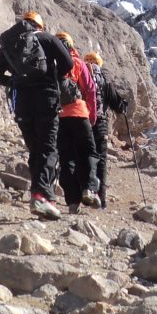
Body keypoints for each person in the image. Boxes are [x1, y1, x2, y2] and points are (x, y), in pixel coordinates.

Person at [0, 11, 72, 220]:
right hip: (47, 98)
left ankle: (47, 198)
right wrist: (53, 75)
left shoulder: (10, 44)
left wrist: (16, 81)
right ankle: (39, 195)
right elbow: (68, 64)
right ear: (39, 26)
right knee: (48, 148)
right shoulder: (48, 39)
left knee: (35, 148)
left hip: (22, 103)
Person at [55, 32, 100, 214]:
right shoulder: (78, 63)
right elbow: (90, 90)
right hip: (80, 114)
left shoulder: (51, 64)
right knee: (88, 151)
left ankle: (72, 202)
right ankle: (89, 188)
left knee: (67, 159)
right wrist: (92, 116)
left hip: (59, 117)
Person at [83, 51, 129, 208]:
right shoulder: (103, 77)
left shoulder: (81, 74)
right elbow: (117, 104)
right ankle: (100, 200)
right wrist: (124, 105)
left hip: (82, 122)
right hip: (100, 123)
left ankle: (84, 192)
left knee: (84, 156)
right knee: (101, 160)